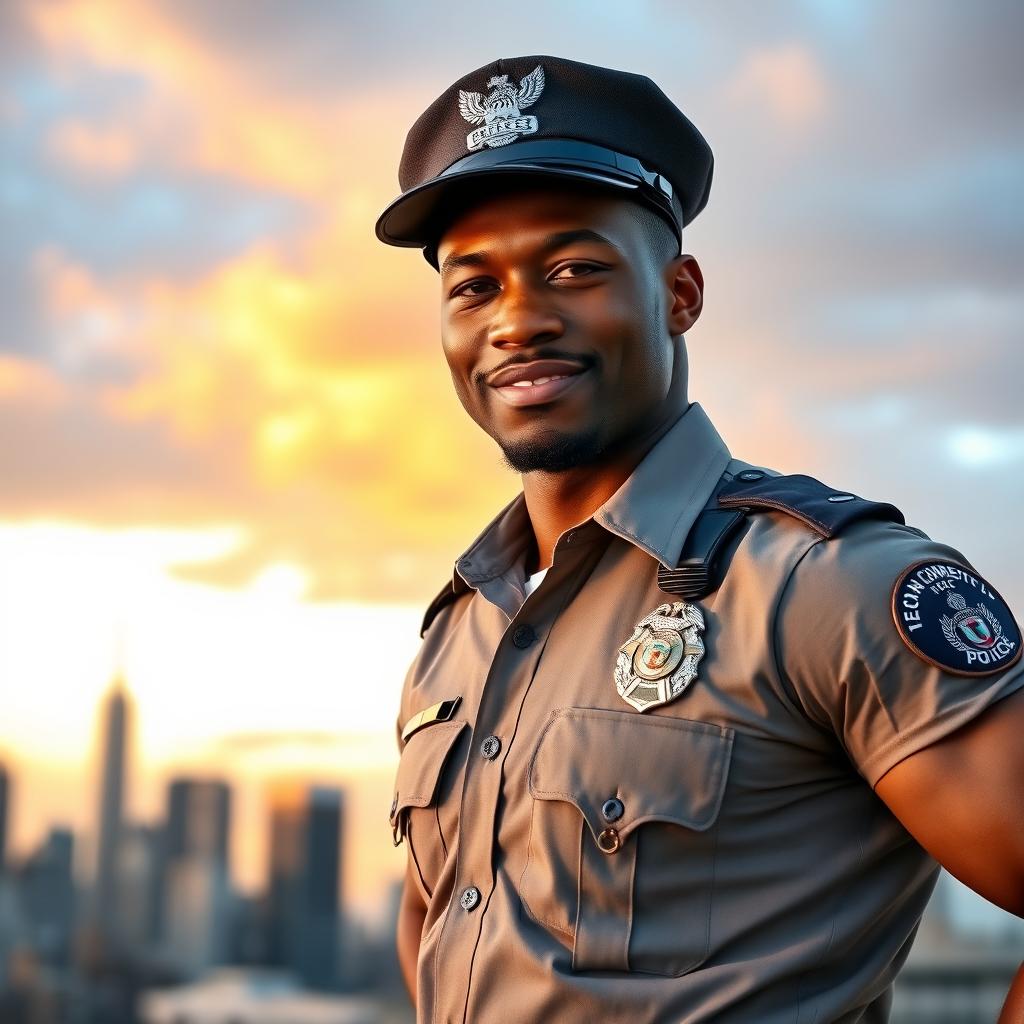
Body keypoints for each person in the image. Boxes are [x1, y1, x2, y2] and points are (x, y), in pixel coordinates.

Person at [374, 55, 1024, 1023]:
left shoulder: (821, 586)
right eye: (474, 286)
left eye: (573, 269)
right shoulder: (459, 634)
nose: (517, 319)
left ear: (679, 294)